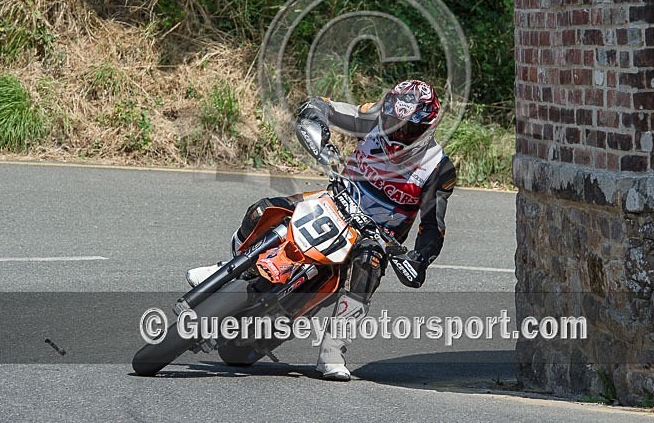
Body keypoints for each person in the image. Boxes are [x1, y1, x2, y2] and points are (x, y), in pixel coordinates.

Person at [186, 79, 457, 381]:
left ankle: (332, 350)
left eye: (408, 128)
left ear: (428, 127)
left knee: (369, 263)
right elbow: (323, 106)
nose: (397, 132)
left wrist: (418, 259)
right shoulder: (371, 118)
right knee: (263, 209)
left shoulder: (437, 167)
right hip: (334, 201)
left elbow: (433, 225)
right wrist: (316, 118)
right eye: (392, 121)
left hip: (375, 234)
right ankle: (230, 268)